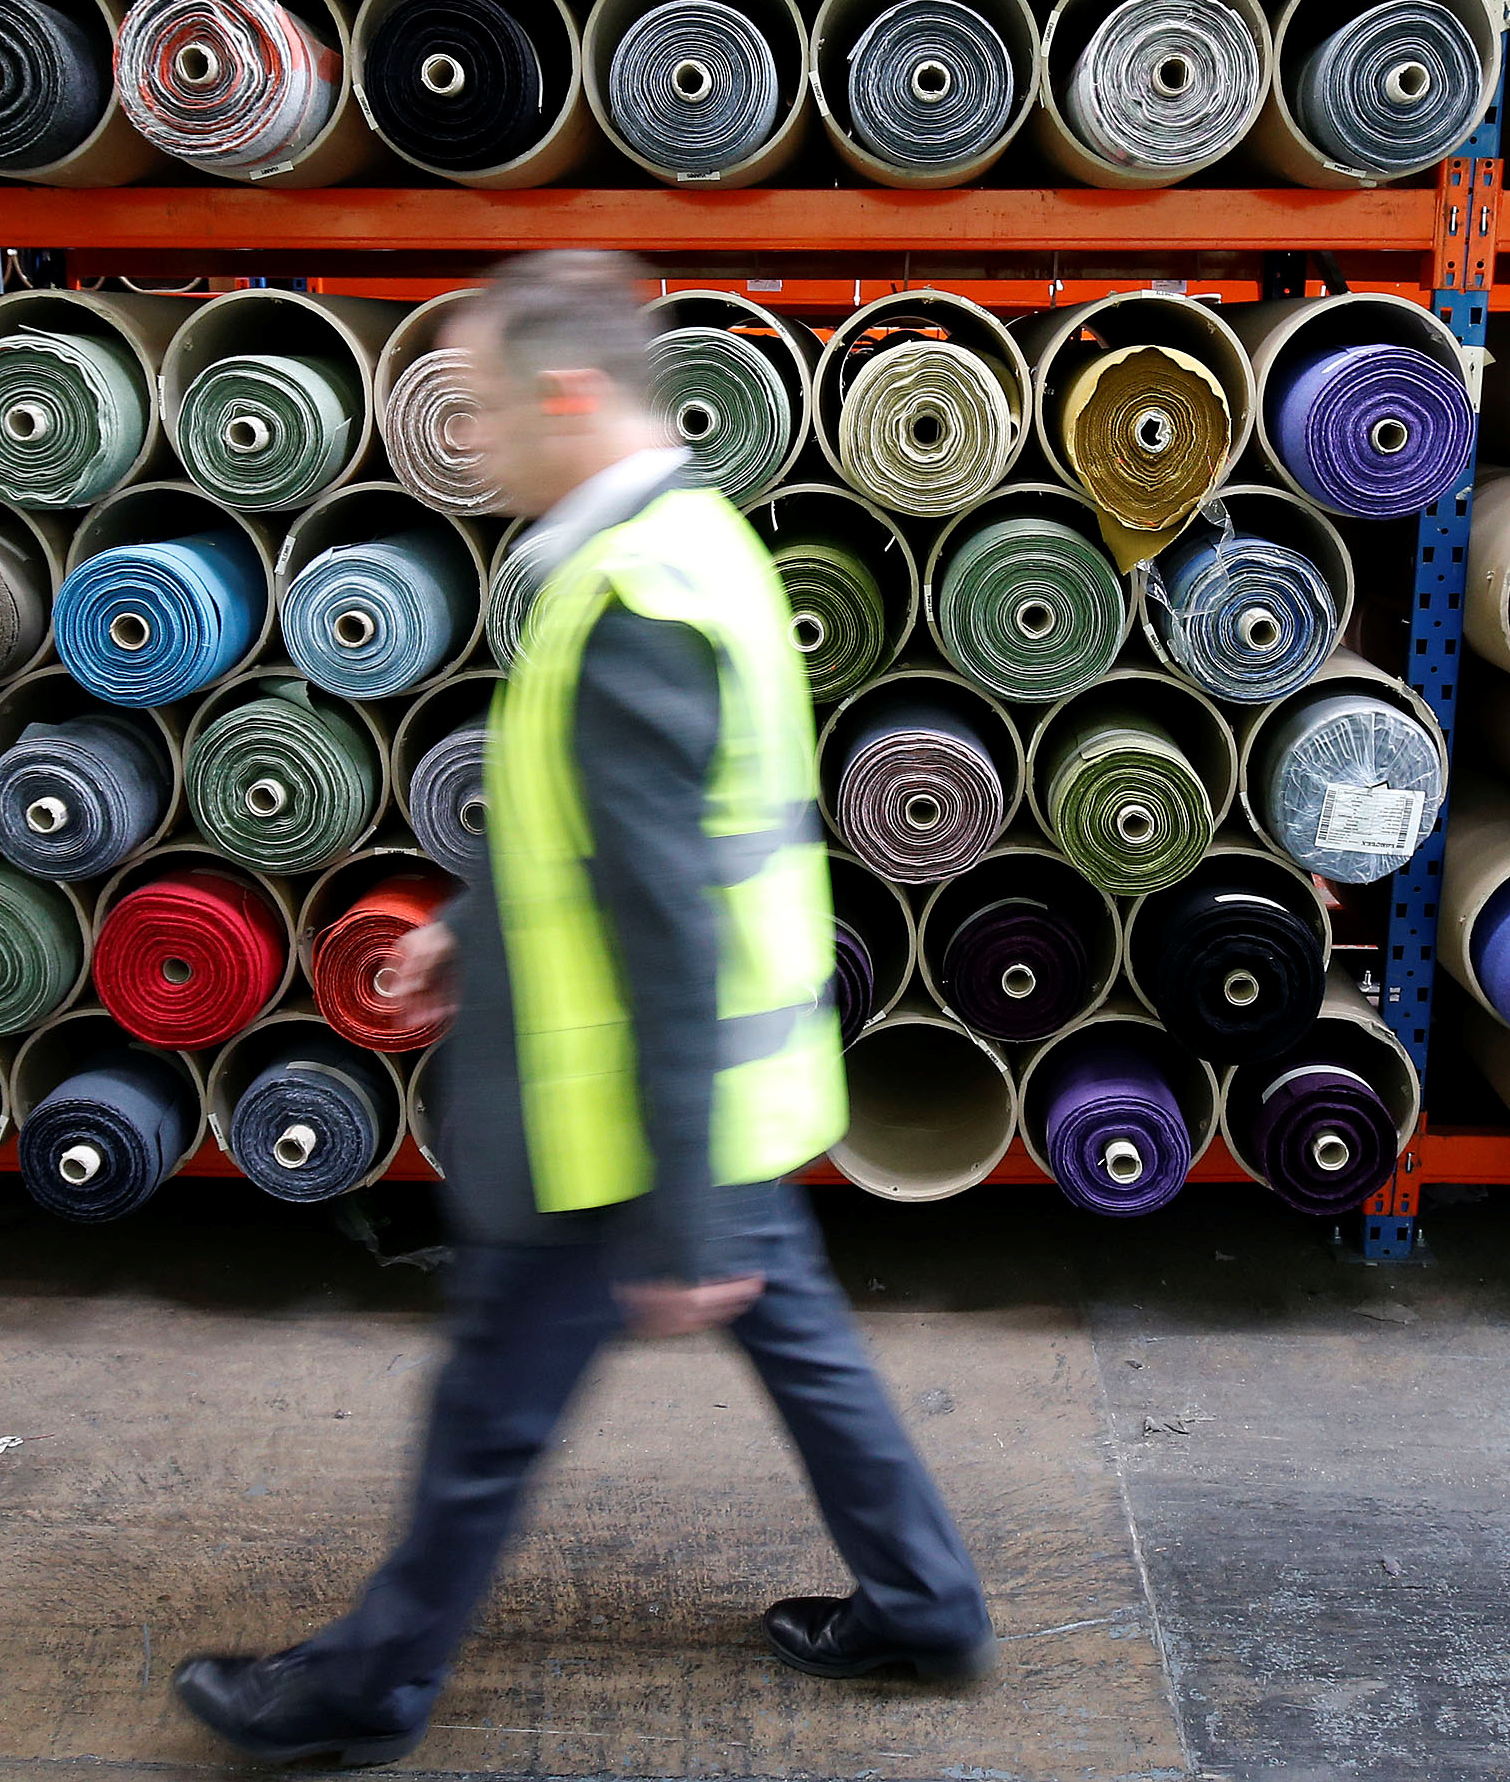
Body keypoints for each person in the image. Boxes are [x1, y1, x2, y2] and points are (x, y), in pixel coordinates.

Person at [173, 254, 993, 1768]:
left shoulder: (628, 597)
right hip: (715, 1089)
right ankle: (930, 1603)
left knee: (488, 1411)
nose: (467, 440)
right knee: (803, 1350)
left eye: (480, 410)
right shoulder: (689, 543)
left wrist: (678, 1218)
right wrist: (471, 933)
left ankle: (360, 1693)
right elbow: (607, 832)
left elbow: (669, 918)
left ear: (566, 395)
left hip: (616, 1110)